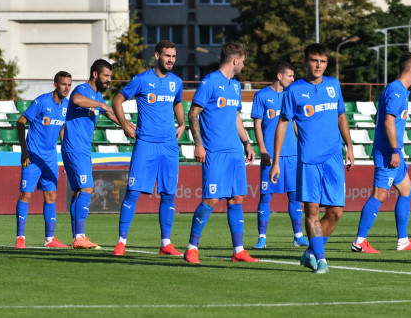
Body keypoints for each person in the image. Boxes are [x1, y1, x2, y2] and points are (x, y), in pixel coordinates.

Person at [269, 43, 354, 274]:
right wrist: (276, 161)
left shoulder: (333, 85)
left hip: (333, 158)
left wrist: (350, 146)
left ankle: (309, 253)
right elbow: (283, 124)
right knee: (312, 211)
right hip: (308, 160)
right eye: (314, 60)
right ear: (306, 61)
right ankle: (321, 259)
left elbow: (341, 117)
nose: (319, 65)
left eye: (323, 61)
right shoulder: (294, 91)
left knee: (336, 212)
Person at [183, 43, 257, 264]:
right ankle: (191, 247)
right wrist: (198, 144)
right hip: (214, 151)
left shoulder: (235, 86)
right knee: (211, 199)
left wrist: (247, 142)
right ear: (235, 60)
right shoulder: (209, 82)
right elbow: (193, 113)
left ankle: (238, 250)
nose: (244, 65)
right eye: (243, 61)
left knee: (237, 198)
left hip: (234, 151)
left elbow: (236, 117)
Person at [112, 41, 186, 256]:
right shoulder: (142, 80)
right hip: (145, 144)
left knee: (168, 195)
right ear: (157, 55)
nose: (170, 59)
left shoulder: (176, 82)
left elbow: (177, 102)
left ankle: (166, 243)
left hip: (169, 146)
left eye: (173, 56)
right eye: (167, 55)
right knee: (133, 193)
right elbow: (118, 99)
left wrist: (181, 124)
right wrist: (125, 124)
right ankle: (121, 242)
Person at [351, 52, 411, 253]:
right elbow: (388, 121)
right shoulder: (396, 90)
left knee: (407, 189)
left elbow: (381, 117)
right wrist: (393, 150)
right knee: (380, 194)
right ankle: (359, 241)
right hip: (388, 153)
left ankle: (403, 240)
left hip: (394, 152)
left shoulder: (399, 90)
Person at [61, 59, 121, 249]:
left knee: (79, 191)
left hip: (82, 148)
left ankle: (78, 237)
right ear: (95, 74)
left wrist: (129, 126)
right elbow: (76, 100)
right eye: (106, 76)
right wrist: (101, 105)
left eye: (110, 77)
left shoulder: (97, 97)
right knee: (87, 189)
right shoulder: (83, 90)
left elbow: (111, 114)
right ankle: (80, 237)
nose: (109, 80)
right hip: (75, 147)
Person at [250, 62, 308, 249]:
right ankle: (262, 237)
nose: (293, 79)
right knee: (266, 197)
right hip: (270, 156)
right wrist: (262, 150)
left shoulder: (291, 96)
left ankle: (298, 236)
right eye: (290, 76)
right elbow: (257, 125)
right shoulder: (262, 96)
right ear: (279, 76)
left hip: (292, 155)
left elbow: (296, 124)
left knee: (294, 196)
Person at [15, 71, 72, 249]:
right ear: (55, 85)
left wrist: (67, 158)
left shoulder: (67, 106)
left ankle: (49, 239)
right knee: (26, 194)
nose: (67, 88)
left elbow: (63, 131)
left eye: (69, 85)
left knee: (51, 196)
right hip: (33, 157)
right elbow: (20, 122)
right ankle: (20, 237)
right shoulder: (42, 101)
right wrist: (24, 151)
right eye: (64, 84)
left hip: (50, 159)